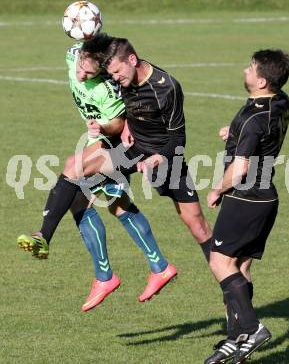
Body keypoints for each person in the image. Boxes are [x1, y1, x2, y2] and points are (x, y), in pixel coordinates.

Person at [17, 34, 176, 311]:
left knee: (72, 168)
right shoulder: (74, 53)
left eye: (88, 72)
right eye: (79, 66)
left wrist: (103, 128)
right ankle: (153, 267)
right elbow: (95, 44)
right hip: (98, 141)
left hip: (114, 143)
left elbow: (117, 123)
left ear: (101, 70)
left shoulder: (107, 87)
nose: (80, 75)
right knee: (110, 204)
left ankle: (44, 237)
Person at [78, 35, 213, 260]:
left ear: (132, 60)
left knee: (198, 226)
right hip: (132, 148)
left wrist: (158, 159)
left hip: (166, 155)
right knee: (77, 171)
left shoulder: (167, 87)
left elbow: (178, 139)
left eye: (117, 72)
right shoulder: (120, 75)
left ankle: (230, 279)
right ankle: (47, 233)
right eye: (111, 74)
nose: (115, 78)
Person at [204, 49, 289, 364]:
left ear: (262, 81)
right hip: (266, 197)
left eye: (251, 69)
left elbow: (239, 169)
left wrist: (216, 190)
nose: (245, 71)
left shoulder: (254, 118)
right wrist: (235, 134)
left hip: (245, 197)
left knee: (219, 262)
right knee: (239, 267)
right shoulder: (280, 101)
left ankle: (252, 329)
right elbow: (261, 133)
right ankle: (236, 339)